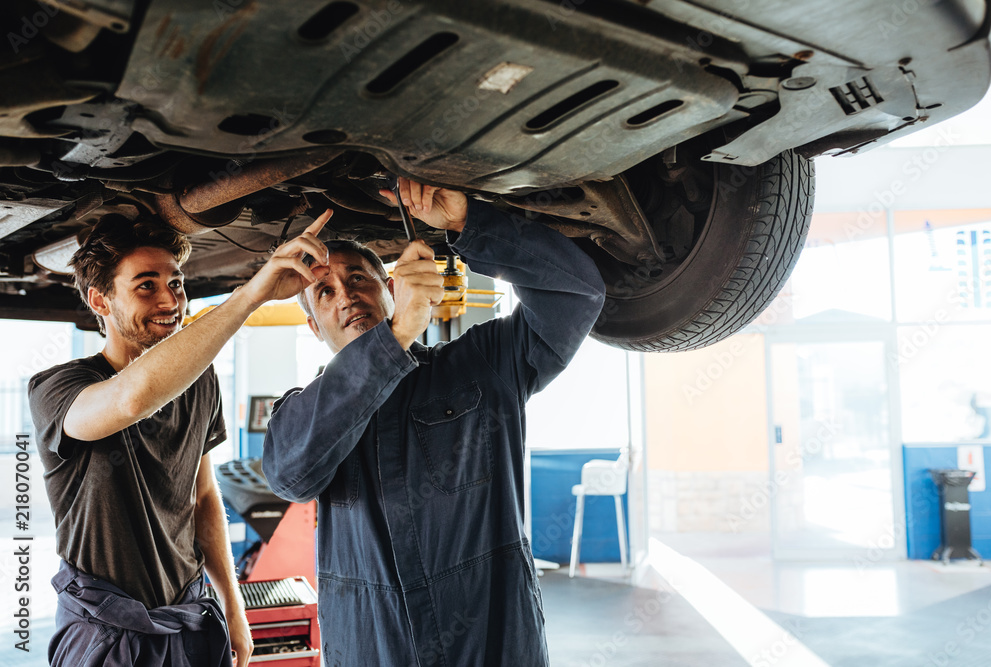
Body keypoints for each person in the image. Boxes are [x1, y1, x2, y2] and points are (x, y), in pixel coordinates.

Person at [261, 178, 606, 666]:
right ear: (314, 326)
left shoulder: (483, 364)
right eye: (323, 291)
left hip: (491, 644)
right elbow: (290, 475)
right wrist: (398, 333)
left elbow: (577, 292)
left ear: (389, 288)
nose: (345, 295)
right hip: (373, 650)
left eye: (359, 278)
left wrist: (471, 224)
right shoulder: (301, 412)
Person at [28, 209, 335, 666]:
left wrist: (233, 605)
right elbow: (131, 399)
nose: (170, 300)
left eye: (176, 282)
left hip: (190, 614)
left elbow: (203, 494)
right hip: (107, 629)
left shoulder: (199, 379)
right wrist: (251, 294)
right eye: (145, 285)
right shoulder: (57, 389)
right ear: (100, 300)